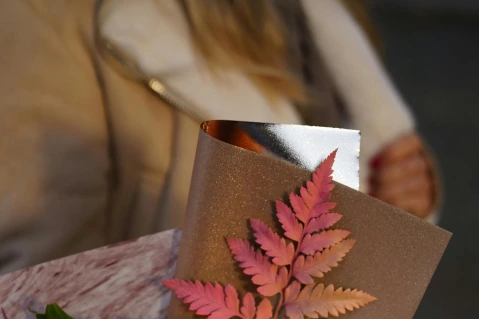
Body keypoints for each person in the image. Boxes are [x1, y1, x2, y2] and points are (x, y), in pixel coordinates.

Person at [0, 0, 437, 275]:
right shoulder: (53, 15)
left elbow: (336, 180)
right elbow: (41, 286)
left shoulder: (318, 17)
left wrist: (396, 199)